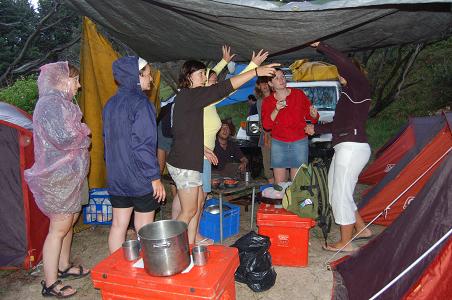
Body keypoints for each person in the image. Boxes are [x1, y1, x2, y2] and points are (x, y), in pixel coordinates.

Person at [167, 55, 279, 244]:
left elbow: (182, 131)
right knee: (188, 211)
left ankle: (191, 246)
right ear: (189, 77)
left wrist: (200, 148)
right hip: (185, 163)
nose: (205, 77)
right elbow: (224, 88)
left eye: (205, 73)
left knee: (193, 208)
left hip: (191, 158)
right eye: (201, 74)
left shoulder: (189, 98)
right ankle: (169, 249)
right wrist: (255, 71)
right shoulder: (191, 95)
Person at [24, 62, 90, 298]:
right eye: (76, 80)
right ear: (63, 80)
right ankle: (50, 282)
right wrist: (84, 132)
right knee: (58, 228)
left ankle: (63, 266)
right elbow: (63, 138)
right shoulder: (50, 104)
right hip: (58, 177)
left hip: (68, 174)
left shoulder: (62, 102)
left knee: (69, 220)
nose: (79, 85)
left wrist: (80, 131)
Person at [305, 42, 372, 253]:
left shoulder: (359, 86)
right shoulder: (347, 96)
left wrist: (322, 46)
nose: (339, 73)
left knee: (341, 194)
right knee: (337, 191)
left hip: (352, 147)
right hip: (345, 146)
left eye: (341, 71)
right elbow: (336, 125)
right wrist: (314, 128)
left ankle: (346, 241)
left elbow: (343, 62)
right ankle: (361, 229)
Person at [103, 56, 165, 254]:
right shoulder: (142, 104)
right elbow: (143, 145)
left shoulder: (110, 104)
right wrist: (154, 177)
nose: (151, 80)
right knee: (144, 229)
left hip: (117, 176)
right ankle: (145, 272)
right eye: (147, 75)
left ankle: (115, 273)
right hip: (140, 177)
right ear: (136, 76)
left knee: (118, 226)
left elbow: (107, 141)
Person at [262, 69, 319, 184]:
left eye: (282, 76)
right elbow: (266, 126)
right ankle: (282, 202)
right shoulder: (267, 101)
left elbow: (312, 117)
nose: (281, 80)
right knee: (279, 184)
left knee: (297, 183)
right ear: (270, 83)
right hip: (278, 142)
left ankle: (295, 202)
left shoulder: (298, 94)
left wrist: (314, 115)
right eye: (277, 78)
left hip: (299, 141)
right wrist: (276, 109)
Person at [255, 76, 274, 183]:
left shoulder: (277, 97)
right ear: (259, 86)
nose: (265, 86)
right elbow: (260, 120)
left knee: (279, 164)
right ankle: (272, 190)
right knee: (267, 164)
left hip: (278, 135)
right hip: (265, 135)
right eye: (262, 84)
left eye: (266, 83)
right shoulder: (259, 101)